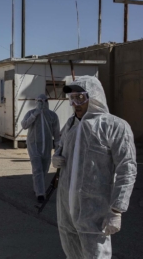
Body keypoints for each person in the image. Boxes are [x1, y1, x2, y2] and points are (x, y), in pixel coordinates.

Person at [52, 76, 137, 258]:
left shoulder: (114, 126)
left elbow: (127, 169)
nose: (75, 103)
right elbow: (61, 149)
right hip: (67, 213)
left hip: (95, 215)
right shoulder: (71, 125)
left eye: (80, 98)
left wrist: (116, 209)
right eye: (72, 98)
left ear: (95, 96)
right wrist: (57, 157)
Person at [21, 94, 60, 203]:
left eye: (44, 101)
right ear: (36, 102)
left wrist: (57, 146)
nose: (42, 103)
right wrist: (35, 115)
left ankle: (38, 187)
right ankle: (40, 194)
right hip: (34, 145)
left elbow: (56, 132)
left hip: (47, 146)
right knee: (37, 168)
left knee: (44, 169)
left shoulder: (52, 115)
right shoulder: (31, 113)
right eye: (40, 101)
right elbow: (24, 125)